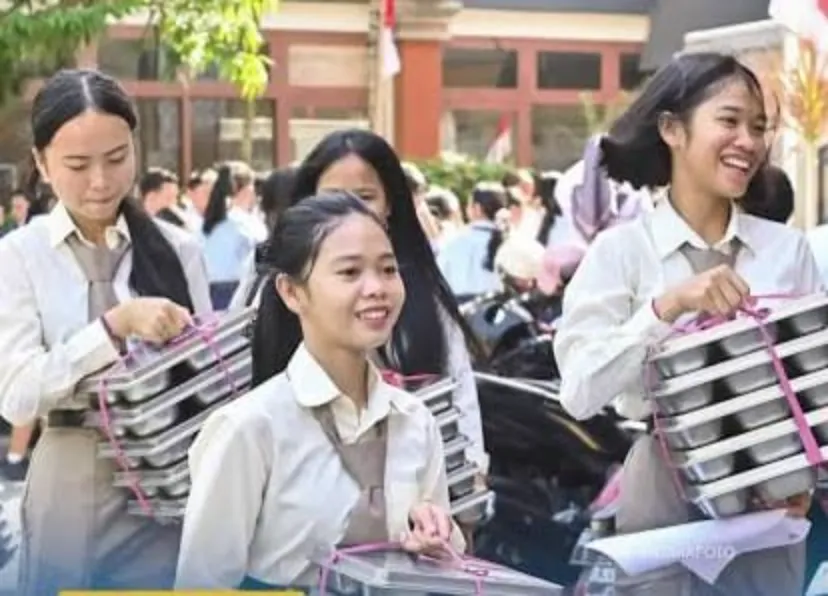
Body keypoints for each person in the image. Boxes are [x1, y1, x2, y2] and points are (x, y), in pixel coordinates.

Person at [554, 53, 819, 595]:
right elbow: (579, 392)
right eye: (729, 120)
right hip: (662, 487)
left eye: (758, 128)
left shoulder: (787, 251)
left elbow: (816, 385)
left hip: (772, 490)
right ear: (672, 129)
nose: (748, 141)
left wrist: (808, 479)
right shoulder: (620, 252)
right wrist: (666, 308)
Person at [175, 192, 462, 589]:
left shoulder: (415, 421)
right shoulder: (250, 429)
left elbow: (444, 571)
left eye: (388, 269)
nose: (377, 288)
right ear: (292, 292)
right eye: (350, 272)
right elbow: (202, 584)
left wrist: (435, 541)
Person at [0, 68, 212, 595]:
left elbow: (209, 385)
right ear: (42, 164)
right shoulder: (18, 257)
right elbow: (17, 396)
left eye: (117, 158)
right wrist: (112, 329)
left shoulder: (178, 249)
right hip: (66, 480)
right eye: (77, 165)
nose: (100, 180)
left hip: (164, 488)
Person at [232, 129, 489, 478]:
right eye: (334, 197)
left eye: (366, 197)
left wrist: (470, 478)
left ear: (390, 204)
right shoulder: (249, 426)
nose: (350, 211)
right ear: (291, 292)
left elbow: (462, 404)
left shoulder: (422, 303)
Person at [199, 161, 258, 310]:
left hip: (206, 291)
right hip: (238, 291)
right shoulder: (246, 223)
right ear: (247, 190)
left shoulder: (206, 223)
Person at [437, 182, 504, 298]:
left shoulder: (454, 241)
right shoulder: (512, 241)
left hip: (460, 305)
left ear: (477, 208)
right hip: (502, 305)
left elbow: (439, 281)